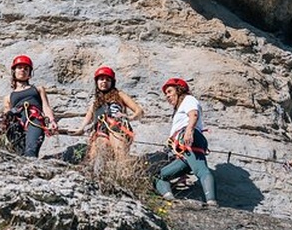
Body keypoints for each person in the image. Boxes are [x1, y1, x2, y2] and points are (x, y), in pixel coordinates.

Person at [154, 78, 217, 207]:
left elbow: (194, 115)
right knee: (160, 176)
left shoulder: (188, 99)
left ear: (179, 90)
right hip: (183, 147)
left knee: (201, 170)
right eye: (166, 93)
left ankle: (212, 202)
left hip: (188, 139)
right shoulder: (179, 108)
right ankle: (171, 200)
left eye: (170, 91)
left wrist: (189, 131)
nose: (167, 96)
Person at [72, 66, 144, 162]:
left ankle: (122, 169)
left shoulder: (119, 95)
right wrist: (81, 128)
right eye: (101, 79)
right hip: (100, 131)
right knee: (96, 154)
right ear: (97, 82)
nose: (104, 82)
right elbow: (89, 116)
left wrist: (129, 118)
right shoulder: (96, 101)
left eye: (108, 80)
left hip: (117, 128)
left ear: (112, 82)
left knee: (120, 154)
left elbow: (139, 111)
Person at [2, 55, 58, 157]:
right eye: (19, 68)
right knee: (19, 154)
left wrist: (52, 121)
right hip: (16, 124)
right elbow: (6, 116)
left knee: (31, 150)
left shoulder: (38, 89)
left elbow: (46, 107)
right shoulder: (8, 97)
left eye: (26, 68)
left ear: (29, 73)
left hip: (34, 120)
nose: (22, 70)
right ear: (14, 71)